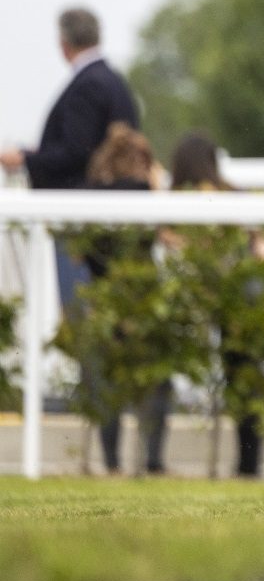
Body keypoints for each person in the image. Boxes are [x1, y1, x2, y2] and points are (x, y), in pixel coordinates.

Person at [1, 9, 141, 313]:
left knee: (81, 310)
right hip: (112, 213)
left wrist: (25, 158)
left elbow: (76, 151)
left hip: (81, 215)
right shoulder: (113, 81)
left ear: (64, 42)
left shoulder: (88, 84)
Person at [168, 132, 264, 477]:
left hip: (210, 297)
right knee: (244, 379)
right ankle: (249, 464)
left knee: (237, 377)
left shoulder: (178, 200)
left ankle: (245, 465)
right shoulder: (233, 194)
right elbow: (260, 245)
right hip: (241, 298)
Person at [76, 124, 170, 475]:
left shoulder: (91, 194)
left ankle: (111, 462)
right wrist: (156, 184)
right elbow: (165, 232)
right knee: (156, 381)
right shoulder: (143, 191)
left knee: (106, 384)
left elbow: (78, 254)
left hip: (103, 300)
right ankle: (152, 460)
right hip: (142, 300)